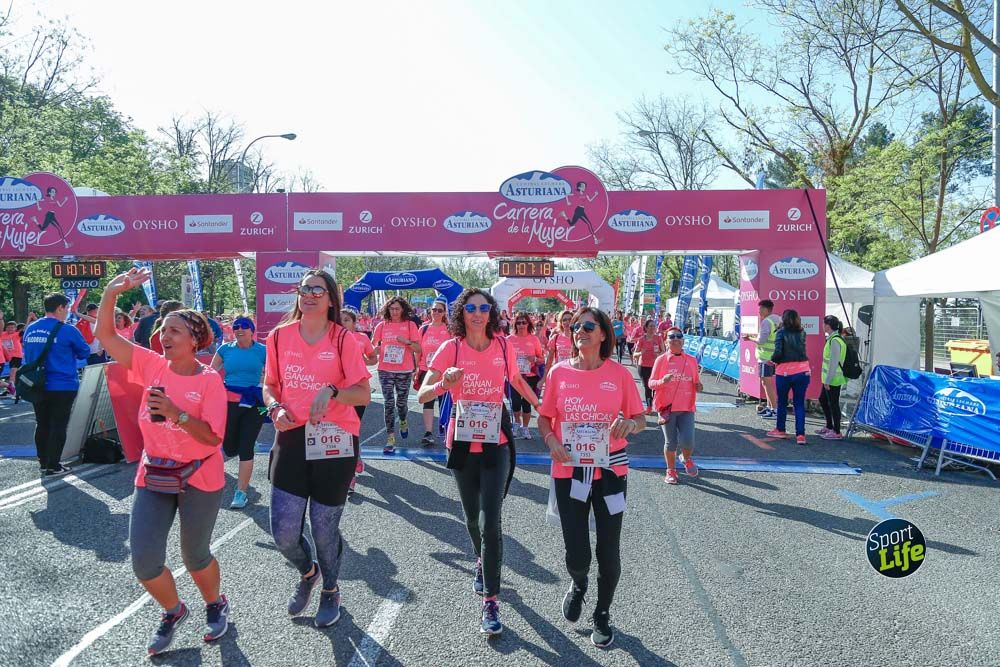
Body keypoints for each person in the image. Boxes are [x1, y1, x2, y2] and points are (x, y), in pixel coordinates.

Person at [95, 268, 230, 655]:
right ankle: (173, 610)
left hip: (199, 476)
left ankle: (214, 603)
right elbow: (106, 336)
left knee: (195, 554)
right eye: (162, 329)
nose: (163, 335)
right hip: (154, 473)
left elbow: (214, 437)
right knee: (145, 562)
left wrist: (177, 413)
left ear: (194, 340)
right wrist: (110, 292)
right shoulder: (152, 365)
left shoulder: (209, 381)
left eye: (173, 330)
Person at [417, 288, 539, 636]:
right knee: (472, 518)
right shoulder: (450, 347)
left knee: (490, 521)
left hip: (496, 441)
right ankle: (480, 561)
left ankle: (491, 600)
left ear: (492, 312)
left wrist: (543, 408)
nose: (478, 313)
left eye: (484, 307)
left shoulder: (503, 345)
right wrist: (445, 381)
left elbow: (515, 380)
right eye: (470, 307)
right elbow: (423, 393)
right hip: (461, 441)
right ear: (462, 313)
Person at [263, 269, 372, 628]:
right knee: (283, 533)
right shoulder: (279, 337)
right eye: (304, 288)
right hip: (292, 438)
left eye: (317, 289)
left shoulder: (344, 340)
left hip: (334, 440)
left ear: (330, 299)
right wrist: (275, 407)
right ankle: (307, 572)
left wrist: (333, 391)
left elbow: (363, 393)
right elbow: (270, 386)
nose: (309, 294)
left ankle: (331, 589)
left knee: (324, 528)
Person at [537, 307, 644, 649]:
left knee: (609, 552)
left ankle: (602, 613)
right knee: (577, 554)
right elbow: (544, 419)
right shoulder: (558, 373)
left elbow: (640, 418)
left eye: (588, 326)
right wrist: (551, 440)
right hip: (569, 471)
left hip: (611, 470)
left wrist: (630, 424)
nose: (579, 330)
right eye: (574, 326)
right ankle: (579, 583)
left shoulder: (620, 374)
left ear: (603, 334)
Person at [22, 294, 90, 476]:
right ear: (60, 308)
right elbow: (84, 352)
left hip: (36, 384)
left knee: (42, 423)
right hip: (62, 384)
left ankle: (43, 462)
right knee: (58, 425)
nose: (68, 312)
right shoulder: (68, 330)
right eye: (67, 308)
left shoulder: (31, 329)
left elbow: (27, 353)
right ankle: (54, 464)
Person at [211, 316, 267, 510]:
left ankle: (241, 492)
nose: (239, 329)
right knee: (229, 447)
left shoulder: (263, 351)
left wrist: (265, 389)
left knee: (246, 447)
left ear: (252, 331)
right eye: (236, 327)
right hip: (229, 403)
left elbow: (275, 376)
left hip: (255, 403)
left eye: (244, 327)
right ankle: (242, 443)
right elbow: (210, 374)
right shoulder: (225, 349)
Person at [649, 327, 704, 484]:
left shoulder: (691, 360)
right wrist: (662, 381)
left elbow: (696, 383)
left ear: (683, 341)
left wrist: (699, 386)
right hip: (667, 408)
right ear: (666, 342)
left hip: (687, 408)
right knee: (671, 442)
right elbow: (651, 383)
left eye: (679, 336)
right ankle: (671, 470)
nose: (675, 339)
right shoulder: (661, 360)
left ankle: (686, 458)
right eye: (671, 337)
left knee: (688, 441)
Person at [371, 296, 421, 454]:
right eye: (391, 309)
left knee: (401, 403)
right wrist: (375, 350)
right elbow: (372, 345)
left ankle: (404, 420)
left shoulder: (410, 325)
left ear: (403, 310)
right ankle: (390, 437)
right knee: (388, 403)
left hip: (404, 370)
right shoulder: (382, 325)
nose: (394, 312)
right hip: (385, 369)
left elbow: (418, 349)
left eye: (397, 309)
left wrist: (406, 342)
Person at [340, 309, 378, 495]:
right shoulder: (329, 338)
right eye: (340, 320)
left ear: (354, 323)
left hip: (358, 390)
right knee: (341, 430)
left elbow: (373, 358)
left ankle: (352, 467)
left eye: (347, 320)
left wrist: (362, 359)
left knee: (351, 428)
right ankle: (352, 463)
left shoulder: (362, 338)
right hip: (338, 391)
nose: (343, 323)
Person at [766, 309, 810, 445]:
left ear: (783, 319)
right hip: (803, 371)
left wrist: (772, 360)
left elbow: (778, 352)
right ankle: (801, 435)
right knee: (799, 403)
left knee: (783, 402)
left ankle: (781, 429)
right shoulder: (802, 332)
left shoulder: (781, 332)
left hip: (784, 372)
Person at [415, 299, 451, 446]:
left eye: (439, 310)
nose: (436, 313)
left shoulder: (450, 329)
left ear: (444, 313)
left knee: (444, 402)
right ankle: (428, 432)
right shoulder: (423, 329)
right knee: (427, 401)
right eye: (434, 310)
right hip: (426, 369)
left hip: (444, 371)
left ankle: (445, 431)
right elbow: (418, 351)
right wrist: (416, 368)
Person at [507, 311, 545, 439]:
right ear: (515, 324)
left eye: (524, 322)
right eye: (518, 323)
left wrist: (534, 359)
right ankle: (517, 424)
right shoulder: (509, 339)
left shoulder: (534, 339)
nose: (521, 325)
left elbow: (541, 359)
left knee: (527, 403)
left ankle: (525, 427)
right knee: (516, 402)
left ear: (528, 323)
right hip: (514, 377)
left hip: (530, 376)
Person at [743, 300, 781, 419]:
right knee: (766, 383)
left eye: (760, 309)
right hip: (773, 356)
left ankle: (775, 410)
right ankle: (770, 408)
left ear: (766, 309)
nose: (759, 311)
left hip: (765, 357)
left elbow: (762, 341)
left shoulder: (766, 322)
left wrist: (749, 338)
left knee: (767, 383)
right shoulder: (778, 319)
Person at [818, 316, 848, 441]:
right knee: (824, 400)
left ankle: (836, 431)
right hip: (829, 378)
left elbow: (833, 363)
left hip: (833, 379)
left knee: (833, 404)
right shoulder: (833, 339)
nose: (822, 326)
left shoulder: (835, 341)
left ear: (828, 326)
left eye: (823, 324)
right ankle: (830, 426)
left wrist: (828, 380)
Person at [632, 319, 664, 415]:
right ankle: (649, 406)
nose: (652, 328)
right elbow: (635, 354)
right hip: (643, 366)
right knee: (647, 387)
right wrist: (641, 352)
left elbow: (663, 351)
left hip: (655, 366)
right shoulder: (642, 339)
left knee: (656, 387)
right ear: (646, 328)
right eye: (650, 326)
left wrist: (658, 354)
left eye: (654, 326)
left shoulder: (658, 338)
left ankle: (656, 403)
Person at [1, 314, 24, 397]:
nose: (10, 329)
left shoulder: (17, 335)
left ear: (15, 329)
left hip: (16, 356)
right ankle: (12, 389)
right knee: (15, 375)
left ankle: (12, 391)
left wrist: (29, 318)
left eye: (12, 327)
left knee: (12, 374)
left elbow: (26, 329)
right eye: (8, 327)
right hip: (7, 358)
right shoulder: (3, 334)